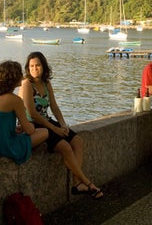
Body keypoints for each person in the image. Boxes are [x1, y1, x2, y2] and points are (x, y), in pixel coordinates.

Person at [19, 52, 103, 199]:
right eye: (31, 66)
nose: (34, 69)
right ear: (27, 68)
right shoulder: (27, 84)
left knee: (78, 141)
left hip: (46, 121)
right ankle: (88, 183)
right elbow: (32, 113)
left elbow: (54, 107)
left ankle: (77, 184)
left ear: (43, 66)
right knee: (65, 147)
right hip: (33, 125)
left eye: (37, 65)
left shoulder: (46, 83)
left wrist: (63, 124)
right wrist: (54, 128)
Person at [0, 60, 49, 165]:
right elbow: (29, 130)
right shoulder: (15, 100)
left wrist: (13, 129)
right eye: (20, 73)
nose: (22, 76)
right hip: (3, 148)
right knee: (44, 132)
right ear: (14, 78)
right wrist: (31, 126)